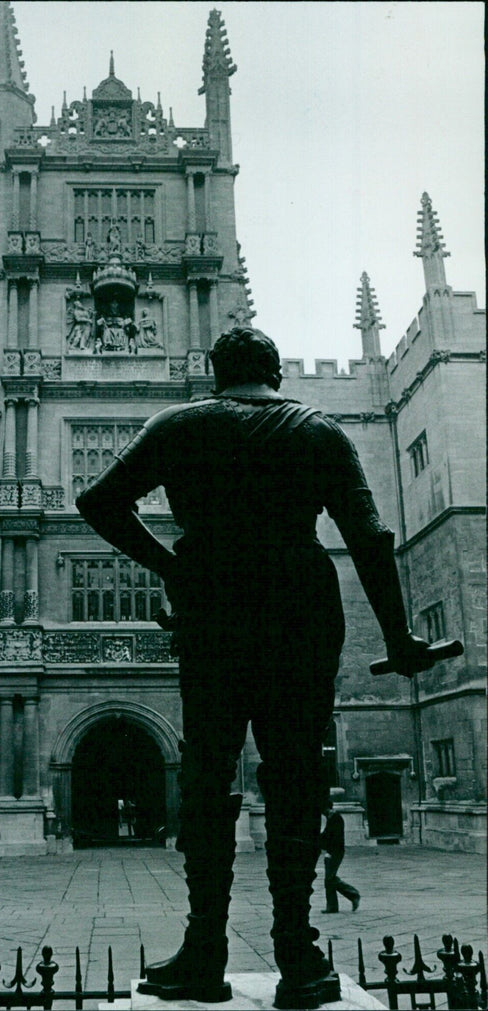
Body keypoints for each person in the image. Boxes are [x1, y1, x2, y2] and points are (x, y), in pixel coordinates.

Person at [76, 326, 434, 1008]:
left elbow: (97, 502)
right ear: (275, 370)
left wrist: (171, 563)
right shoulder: (320, 431)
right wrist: (399, 634)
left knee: (207, 773)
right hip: (301, 604)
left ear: (216, 373)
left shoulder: (178, 425)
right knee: (296, 774)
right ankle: (297, 954)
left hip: (212, 605)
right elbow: (369, 536)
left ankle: (204, 949)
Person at [321, 803, 360, 913]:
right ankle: (332, 906)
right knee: (329, 879)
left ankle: (353, 894)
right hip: (332, 851)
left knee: (330, 879)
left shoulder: (335, 818)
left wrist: (326, 847)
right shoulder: (331, 817)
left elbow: (332, 837)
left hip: (335, 852)